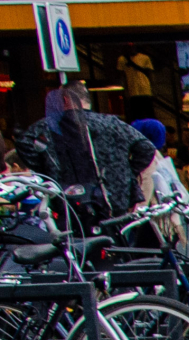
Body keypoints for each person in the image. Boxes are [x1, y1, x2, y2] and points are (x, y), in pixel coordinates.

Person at [13, 81, 160, 229]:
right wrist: (125, 173)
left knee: (76, 246)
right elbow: (146, 148)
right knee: (119, 245)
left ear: (64, 99)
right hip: (114, 201)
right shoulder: (112, 123)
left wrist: (49, 170)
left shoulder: (48, 126)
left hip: (71, 204)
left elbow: (24, 145)